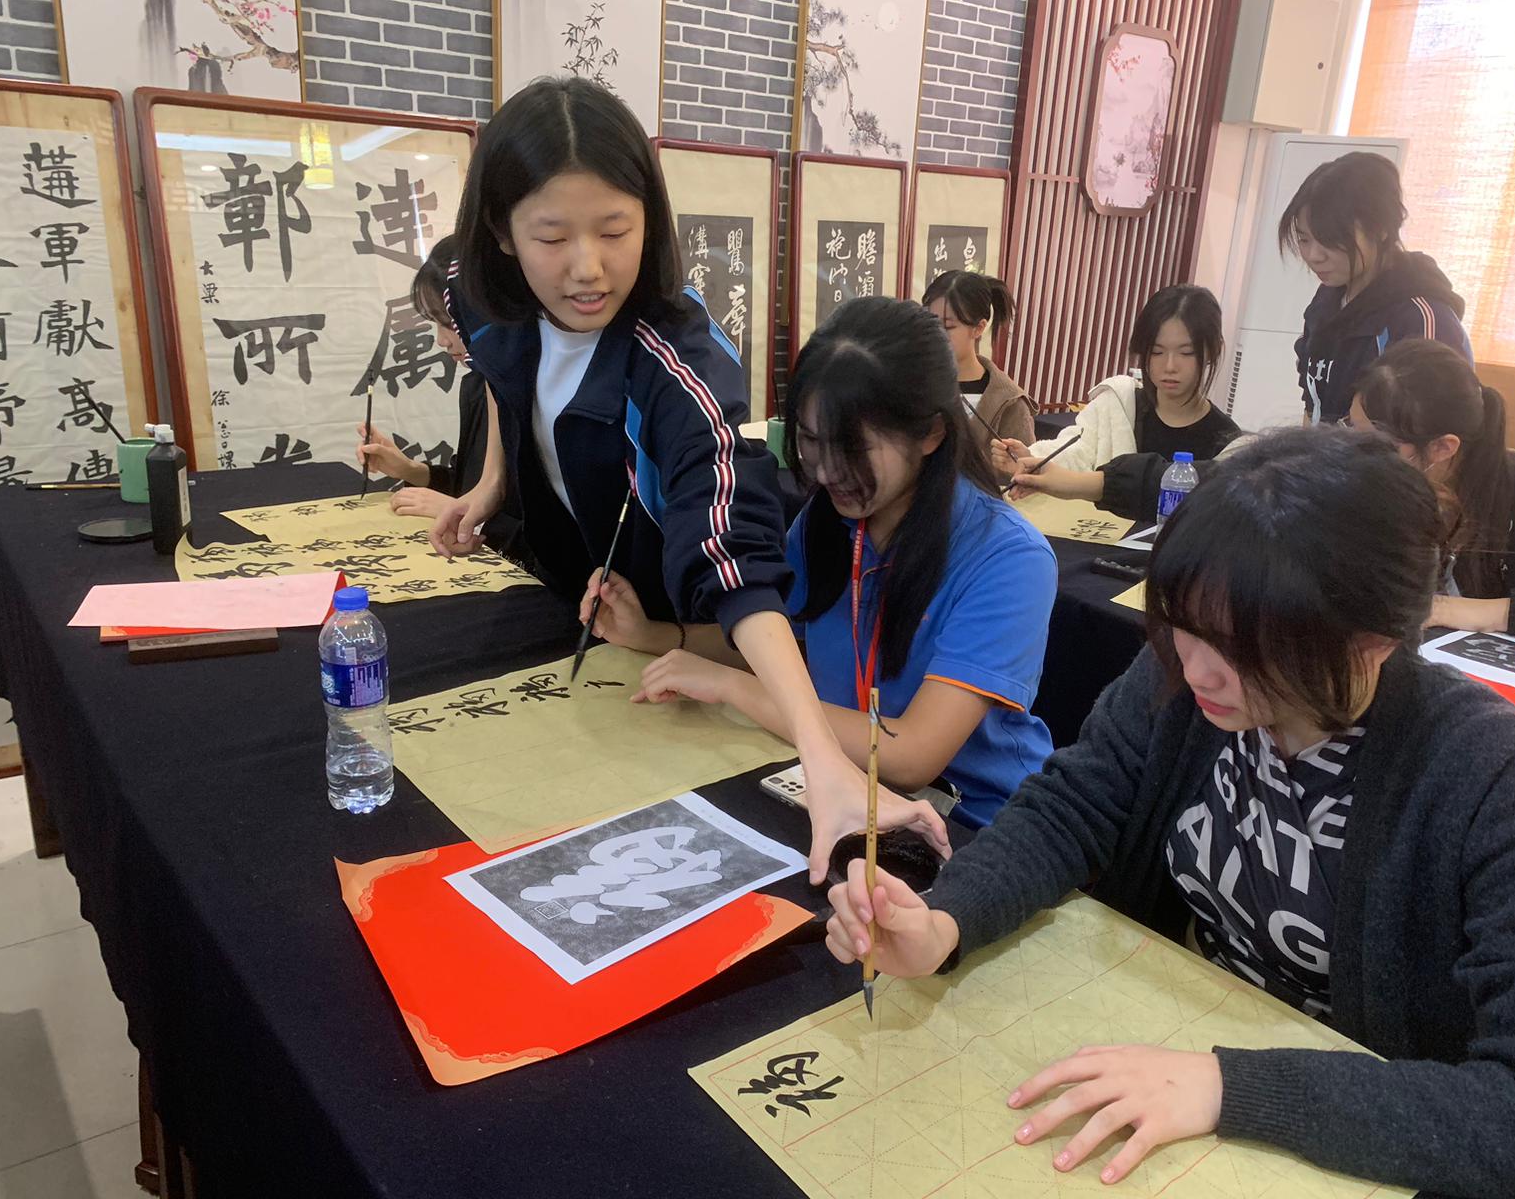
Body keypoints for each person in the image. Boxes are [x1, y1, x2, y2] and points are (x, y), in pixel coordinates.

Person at [825, 428, 1515, 1194]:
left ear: (1371, 644)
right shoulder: (1185, 675)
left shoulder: (1498, 777)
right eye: (1181, 623)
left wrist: (1230, 1088)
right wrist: (946, 921)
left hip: (1352, 1127)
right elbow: (1075, 804)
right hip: (1179, 1039)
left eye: (1241, 646)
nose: (1197, 667)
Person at [427, 76, 945, 880]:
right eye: (552, 237)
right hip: (579, 616)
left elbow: (732, 550)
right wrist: (493, 484)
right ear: (501, 232)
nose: (588, 269)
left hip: (676, 642)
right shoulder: (480, 293)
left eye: (615, 230)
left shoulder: (679, 362)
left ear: (650, 217)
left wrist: (821, 758)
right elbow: (503, 374)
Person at [600, 298, 1058, 828]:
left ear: (931, 434)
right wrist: (651, 635)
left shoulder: (1008, 558)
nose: (825, 471)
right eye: (811, 441)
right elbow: (782, 646)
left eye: (854, 448)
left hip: (973, 821)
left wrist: (731, 687)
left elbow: (911, 756)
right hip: (838, 779)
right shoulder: (829, 522)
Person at [1349, 338, 1515, 643]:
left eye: (1377, 444)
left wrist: (1451, 610)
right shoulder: (1384, 490)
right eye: (1351, 430)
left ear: (1443, 447)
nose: (1357, 455)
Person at [1282, 151, 1471, 424]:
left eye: (1330, 240)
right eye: (1304, 239)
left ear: (1381, 228)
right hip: (1328, 452)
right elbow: (1313, 406)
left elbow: (1425, 434)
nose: (1313, 256)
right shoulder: (1327, 300)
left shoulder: (1421, 320)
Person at [991, 285, 1238, 493]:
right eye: (1157, 352)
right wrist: (1034, 459)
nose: (1170, 366)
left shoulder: (1227, 443)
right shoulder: (1121, 404)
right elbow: (1080, 452)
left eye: (1186, 353)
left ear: (1212, 350)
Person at [354, 238, 492, 522]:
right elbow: (470, 485)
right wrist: (409, 470)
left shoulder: (531, 394)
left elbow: (537, 520)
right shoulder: (477, 386)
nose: (442, 340)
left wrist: (465, 515)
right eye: (436, 323)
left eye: (449, 322)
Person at [920, 270, 1035, 475]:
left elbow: (1025, 475)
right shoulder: (912, 384)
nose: (935, 334)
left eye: (947, 326)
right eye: (930, 323)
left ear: (979, 328)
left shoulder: (1009, 403)